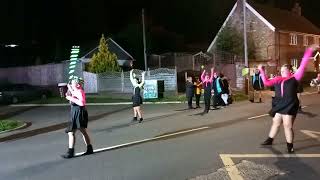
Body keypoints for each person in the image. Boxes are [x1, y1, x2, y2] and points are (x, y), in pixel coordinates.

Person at [259, 45, 318, 153]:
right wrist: (262, 71)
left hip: (290, 104)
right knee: (276, 122)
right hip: (279, 104)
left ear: (290, 71)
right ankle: (270, 140)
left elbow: (303, 63)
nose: (282, 72)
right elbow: (266, 82)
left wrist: (309, 50)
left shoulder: (295, 77)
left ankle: (290, 146)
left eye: (284, 70)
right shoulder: (277, 79)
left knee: (287, 125)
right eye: (281, 71)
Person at [62, 78, 93, 159]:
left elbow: (82, 103)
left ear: (78, 85)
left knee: (71, 132)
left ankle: (70, 152)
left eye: (72, 83)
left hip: (79, 113)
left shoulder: (79, 91)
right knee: (82, 132)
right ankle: (89, 149)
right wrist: (69, 88)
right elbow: (72, 92)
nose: (71, 84)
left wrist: (70, 98)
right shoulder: (75, 90)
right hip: (76, 113)